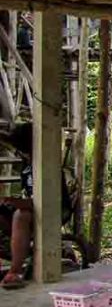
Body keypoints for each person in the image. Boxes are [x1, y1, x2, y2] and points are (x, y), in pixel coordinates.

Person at [0, 123, 73, 289]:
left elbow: (48, 201)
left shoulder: (47, 167)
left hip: (54, 210)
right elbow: (29, 195)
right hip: (34, 207)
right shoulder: (27, 166)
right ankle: (17, 247)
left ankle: (15, 271)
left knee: (21, 215)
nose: (18, 153)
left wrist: (20, 203)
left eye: (20, 149)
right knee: (16, 212)